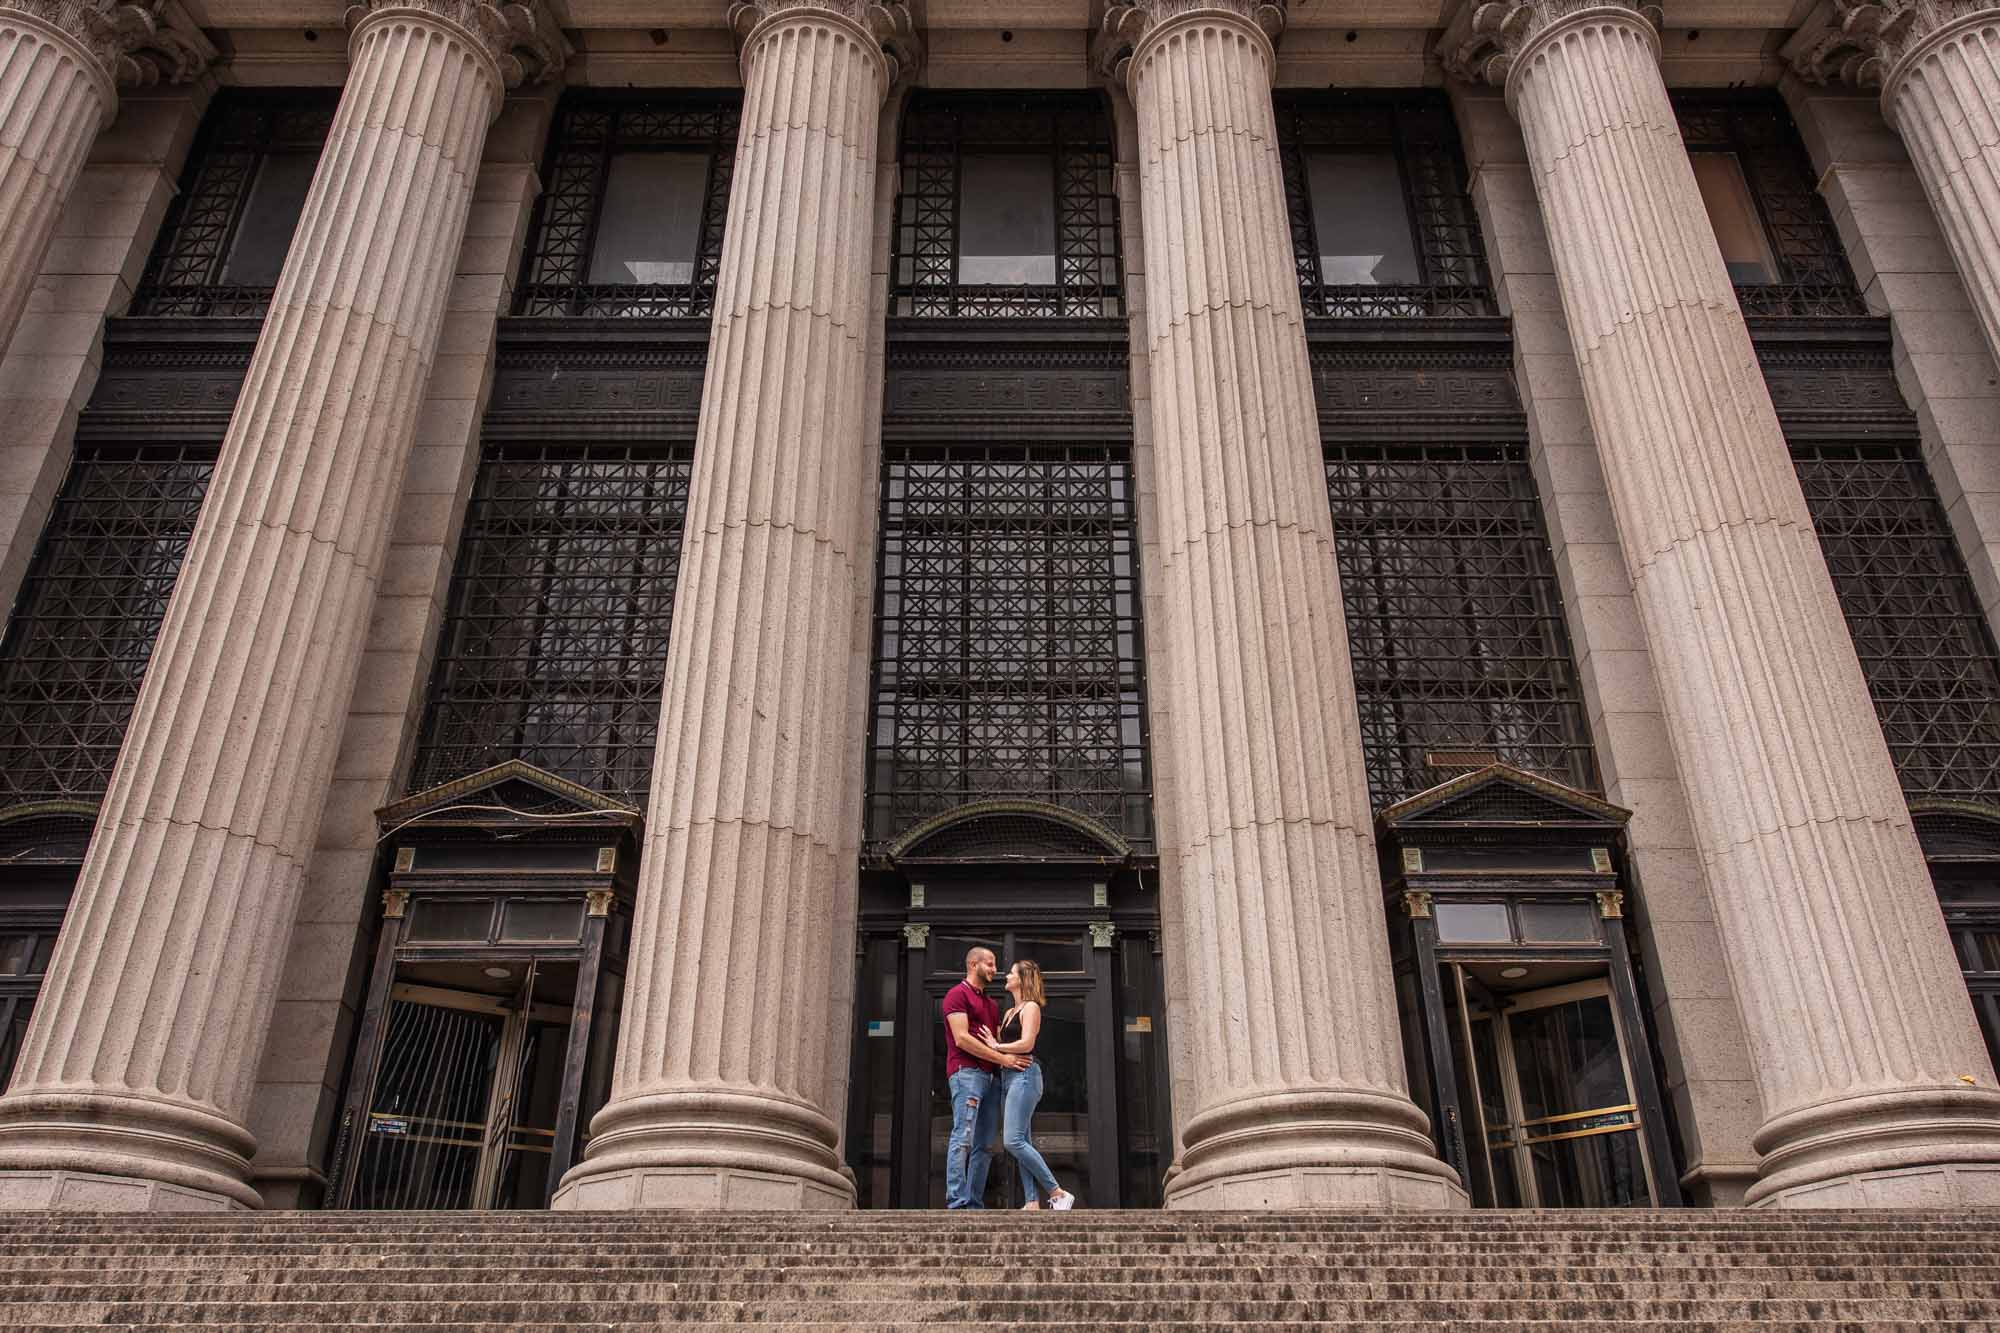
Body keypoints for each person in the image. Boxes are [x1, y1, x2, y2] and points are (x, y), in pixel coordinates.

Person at [981, 959, 1077, 1211]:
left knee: (1013, 1141)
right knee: (1023, 1139)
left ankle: (1058, 1192)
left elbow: (1026, 1044)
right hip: (1008, 1077)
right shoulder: (1009, 1012)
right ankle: (1032, 1201)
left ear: (1023, 979)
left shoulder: (1031, 1007)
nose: (1006, 976)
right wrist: (996, 1042)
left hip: (1025, 1076)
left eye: (1011, 973)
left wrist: (997, 1046)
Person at [941, 946, 1026, 1209]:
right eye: (989, 964)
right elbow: (962, 1039)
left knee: (986, 1145)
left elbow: (998, 1041)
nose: (994, 969)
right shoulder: (956, 995)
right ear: (973, 964)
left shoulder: (991, 1004)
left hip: (991, 1079)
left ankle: (973, 1203)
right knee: (963, 1137)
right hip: (966, 1074)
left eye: (994, 964)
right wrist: (1002, 1059)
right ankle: (956, 1201)